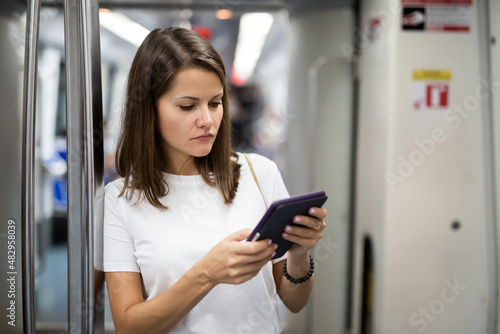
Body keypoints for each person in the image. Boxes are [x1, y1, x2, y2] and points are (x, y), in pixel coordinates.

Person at [103, 27, 327, 334]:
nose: (207, 120)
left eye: (215, 102)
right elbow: (129, 326)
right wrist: (207, 274)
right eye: (187, 106)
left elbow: (294, 301)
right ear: (149, 110)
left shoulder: (260, 174)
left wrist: (299, 254)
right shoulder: (119, 201)